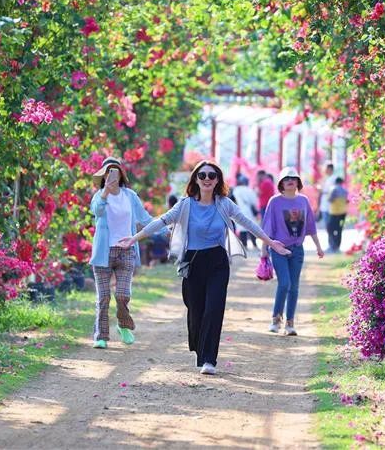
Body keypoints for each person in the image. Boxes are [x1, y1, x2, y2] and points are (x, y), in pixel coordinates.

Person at [118, 160, 290, 375]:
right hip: (193, 262)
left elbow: (247, 222)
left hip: (217, 261)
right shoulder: (185, 204)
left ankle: (209, 359)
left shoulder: (224, 204)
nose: (207, 179)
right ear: (196, 180)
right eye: (202, 175)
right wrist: (134, 238)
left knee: (214, 308)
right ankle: (200, 349)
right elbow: (161, 221)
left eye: (212, 175)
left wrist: (271, 242)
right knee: (196, 310)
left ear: (217, 180)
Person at [89, 157, 157, 349]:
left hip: (127, 250)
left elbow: (145, 219)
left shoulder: (130, 196)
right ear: (103, 175)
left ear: (121, 174)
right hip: (103, 252)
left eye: (115, 171)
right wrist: (105, 192)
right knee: (103, 297)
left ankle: (123, 324)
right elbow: (97, 211)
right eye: (108, 172)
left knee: (122, 295)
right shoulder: (99, 196)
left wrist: (165, 229)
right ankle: (100, 336)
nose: (112, 175)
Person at [261, 167, 323, 336]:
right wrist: (264, 249)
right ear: (281, 183)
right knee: (284, 283)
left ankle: (290, 323)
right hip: (278, 249)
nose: (290, 181)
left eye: (293, 178)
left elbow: (311, 226)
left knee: (294, 287)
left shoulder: (303, 201)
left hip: (297, 250)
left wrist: (318, 247)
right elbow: (267, 227)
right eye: (286, 178)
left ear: (298, 182)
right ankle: (276, 319)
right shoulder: (275, 201)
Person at [233, 175, 259, 249]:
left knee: (241, 228)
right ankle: (254, 244)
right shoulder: (249, 190)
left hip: (238, 210)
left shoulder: (235, 190)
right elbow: (254, 201)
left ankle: (244, 245)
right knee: (251, 227)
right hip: (248, 210)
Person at [326, 177, 348, 253]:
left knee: (330, 229)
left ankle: (332, 246)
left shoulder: (333, 189)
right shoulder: (345, 190)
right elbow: (347, 201)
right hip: (342, 213)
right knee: (339, 230)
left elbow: (330, 199)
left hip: (334, 213)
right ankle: (337, 247)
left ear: (335, 182)